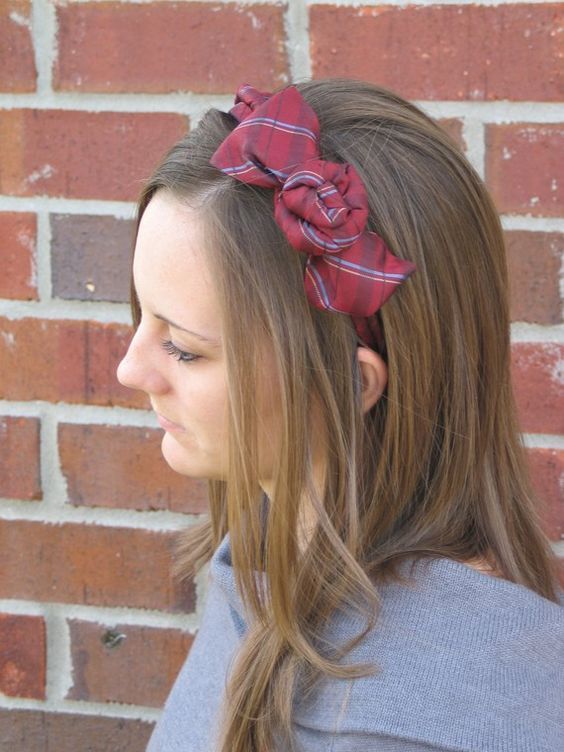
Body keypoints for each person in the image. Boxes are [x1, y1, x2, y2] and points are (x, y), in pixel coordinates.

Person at [116, 78, 564, 752]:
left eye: (184, 349)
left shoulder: (421, 725)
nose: (131, 369)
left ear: (352, 386)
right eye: (143, 318)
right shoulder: (270, 565)